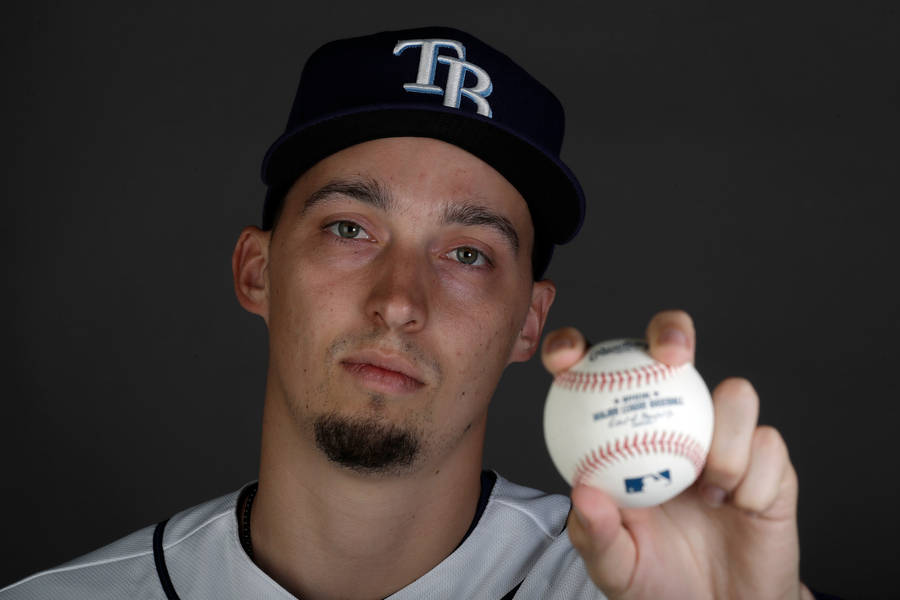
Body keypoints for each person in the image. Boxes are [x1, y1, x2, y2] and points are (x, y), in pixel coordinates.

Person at [1, 26, 819, 599]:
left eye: (468, 254)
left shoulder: (643, 586)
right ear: (258, 271)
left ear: (529, 324)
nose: (399, 300)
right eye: (350, 229)